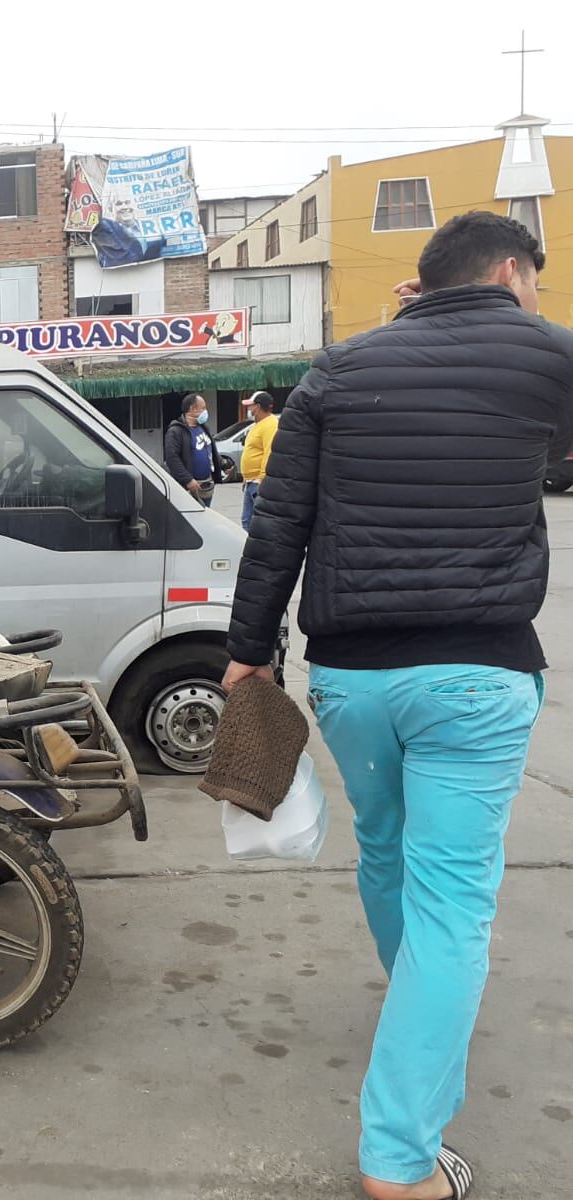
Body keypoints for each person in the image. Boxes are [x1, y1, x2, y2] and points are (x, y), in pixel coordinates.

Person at [223, 211, 573, 1200]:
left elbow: (278, 526)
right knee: (453, 907)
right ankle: (399, 1160)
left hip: (352, 682)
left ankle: (418, 1009)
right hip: (475, 677)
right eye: (536, 280)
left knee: (387, 854)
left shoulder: (336, 369)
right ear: (509, 271)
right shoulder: (550, 355)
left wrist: (246, 657)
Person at [164, 392, 215, 505]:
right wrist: (187, 479)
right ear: (192, 409)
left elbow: (209, 450)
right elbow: (172, 458)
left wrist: (223, 463)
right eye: (203, 408)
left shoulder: (203, 428)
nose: (205, 411)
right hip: (189, 488)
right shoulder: (176, 431)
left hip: (206, 486)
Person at [238, 390, 279, 531]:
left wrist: (262, 478)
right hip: (250, 481)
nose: (248, 409)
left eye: (251, 405)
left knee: (260, 521)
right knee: (247, 520)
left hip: (258, 482)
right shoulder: (257, 424)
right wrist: (245, 477)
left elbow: (269, 451)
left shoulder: (270, 424)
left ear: (258, 406)